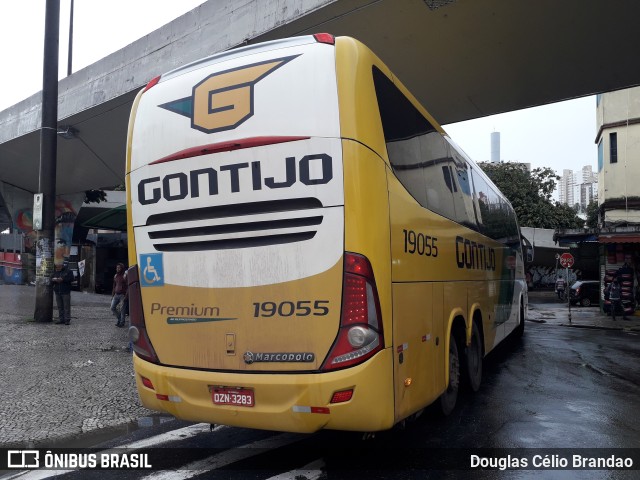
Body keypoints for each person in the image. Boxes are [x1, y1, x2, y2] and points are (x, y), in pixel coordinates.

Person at [52, 260, 74, 325]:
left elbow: (71, 279)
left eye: (58, 267)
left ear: (62, 265)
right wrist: (54, 280)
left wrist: (63, 280)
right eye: (56, 267)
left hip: (65, 291)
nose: (57, 268)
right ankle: (61, 319)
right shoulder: (55, 271)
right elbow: (51, 278)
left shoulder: (68, 271)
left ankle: (67, 319)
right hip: (57, 291)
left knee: (66, 306)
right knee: (60, 306)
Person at [111, 263, 128, 327]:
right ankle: (119, 319)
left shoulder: (125, 276)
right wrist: (112, 295)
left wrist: (126, 295)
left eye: (119, 268)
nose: (117, 269)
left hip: (122, 295)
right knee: (112, 308)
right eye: (117, 268)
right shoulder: (115, 276)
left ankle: (122, 322)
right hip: (116, 294)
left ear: (122, 268)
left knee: (122, 309)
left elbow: (128, 286)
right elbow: (114, 286)